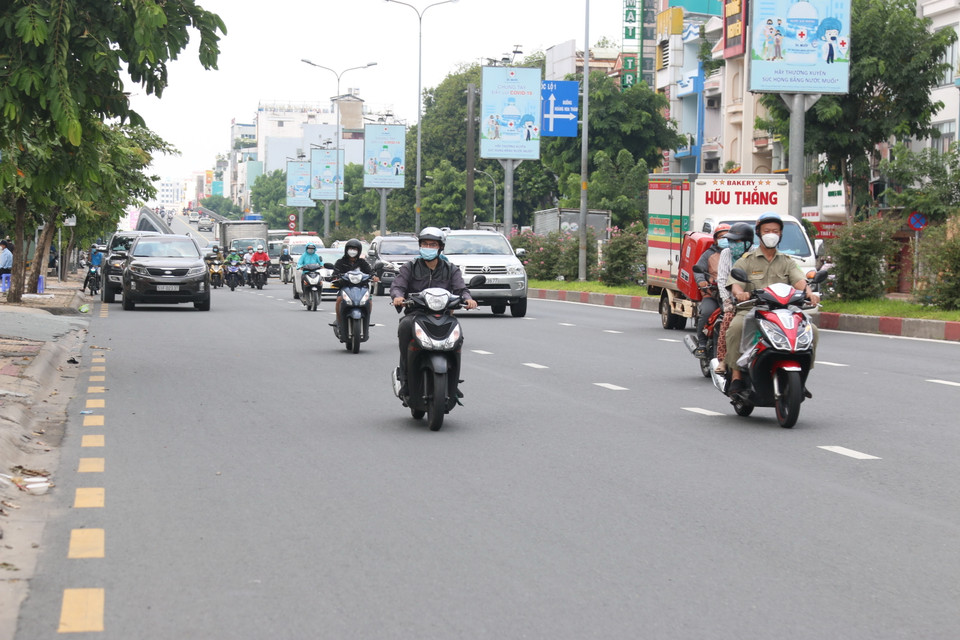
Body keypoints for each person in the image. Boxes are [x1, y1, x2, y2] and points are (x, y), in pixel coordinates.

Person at [725, 213, 820, 394]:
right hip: (754, 309)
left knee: (812, 331)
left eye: (775, 231)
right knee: (736, 328)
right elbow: (735, 284)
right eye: (767, 230)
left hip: (784, 311)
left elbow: (799, 281)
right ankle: (736, 376)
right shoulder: (746, 260)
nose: (771, 234)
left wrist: (809, 293)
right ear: (759, 233)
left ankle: (802, 377)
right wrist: (740, 293)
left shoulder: (787, 261)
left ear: (781, 234)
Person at [390, 227, 477, 395]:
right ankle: (405, 378)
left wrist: (468, 299)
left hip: (444, 314)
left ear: (440, 247)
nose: (428, 248)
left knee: (458, 337)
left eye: (432, 245)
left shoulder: (451, 269)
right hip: (416, 314)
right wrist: (398, 296)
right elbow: (398, 286)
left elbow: (461, 289)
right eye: (425, 244)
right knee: (404, 328)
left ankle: (453, 383)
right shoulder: (410, 267)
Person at [712, 222, 754, 374]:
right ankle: (723, 360)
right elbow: (723, 279)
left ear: (748, 243)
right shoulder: (726, 253)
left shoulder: (755, 254)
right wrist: (727, 301)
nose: (732, 244)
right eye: (730, 241)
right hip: (734, 300)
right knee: (728, 320)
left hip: (756, 299)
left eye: (736, 241)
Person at [692, 223, 731, 357]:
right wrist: (701, 281)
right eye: (721, 237)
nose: (725, 239)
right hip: (713, 294)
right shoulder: (708, 254)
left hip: (732, 296)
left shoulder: (737, 254)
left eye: (727, 237)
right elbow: (698, 270)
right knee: (707, 312)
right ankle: (702, 344)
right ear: (715, 239)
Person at [331, 239, 379, 332]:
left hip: (361, 288)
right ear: (346, 250)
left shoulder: (362, 262)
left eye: (355, 249)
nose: (352, 251)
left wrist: (374, 276)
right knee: (339, 300)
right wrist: (335, 277)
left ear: (359, 251)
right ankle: (339, 322)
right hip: (345, 288)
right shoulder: (340, 262)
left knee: (369, 301)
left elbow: (370, 272)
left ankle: (366, 320)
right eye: (350, 248)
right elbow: (335, 273)